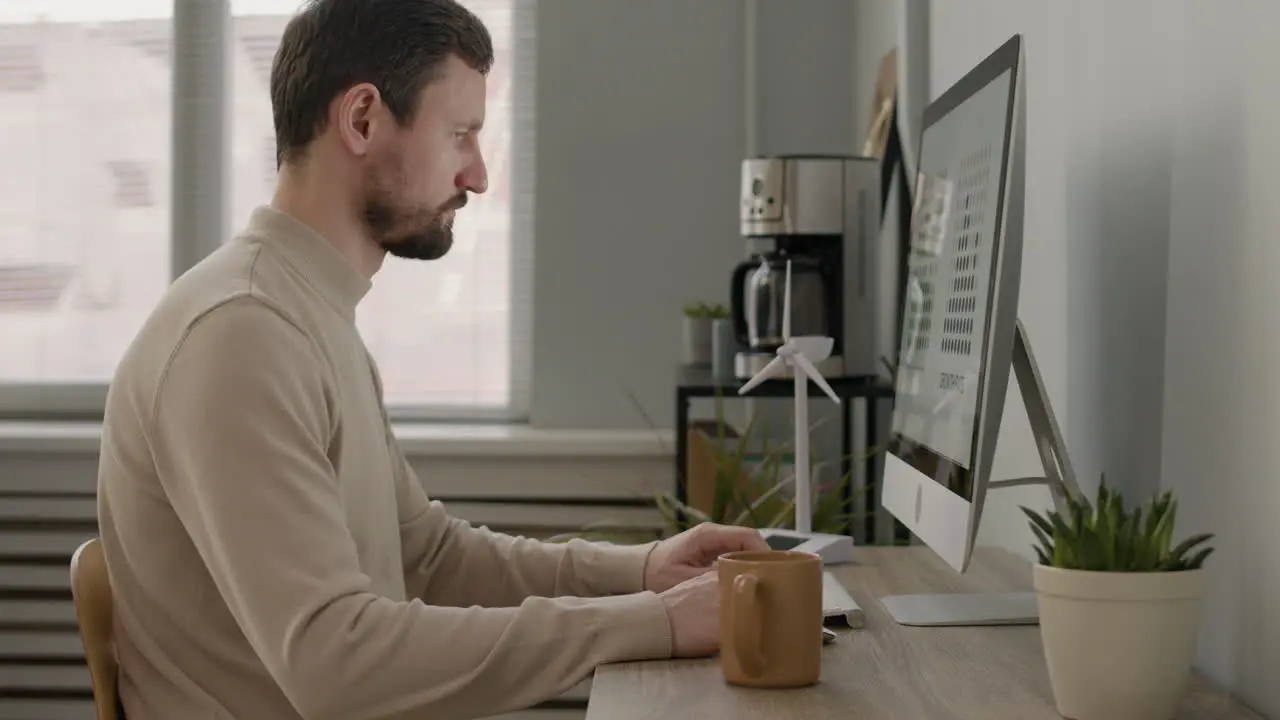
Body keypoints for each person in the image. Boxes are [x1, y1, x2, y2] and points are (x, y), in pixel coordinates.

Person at [95, 0, 770, 718]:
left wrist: (643, 573)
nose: (477, 176)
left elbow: (428, 559)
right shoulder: (240, 336)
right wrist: (653, 624)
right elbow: (337, 664)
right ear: (361, 120)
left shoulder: (305, 315)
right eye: (461, 135)